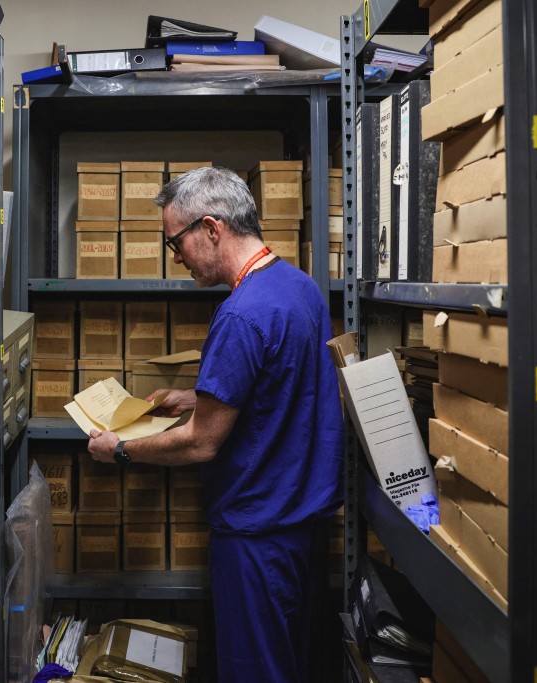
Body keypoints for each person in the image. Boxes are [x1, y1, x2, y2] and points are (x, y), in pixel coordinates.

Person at [86, 166, 344, 682]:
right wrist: (197, 395)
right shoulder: (300, 287)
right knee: (291, 663)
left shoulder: (240, 313)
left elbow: (202, 444)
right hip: (302, 524)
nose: (176, 257)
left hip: (257, 535)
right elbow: (283, 387)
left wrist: (119, 448)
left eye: (175, 243)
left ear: (211, 227)